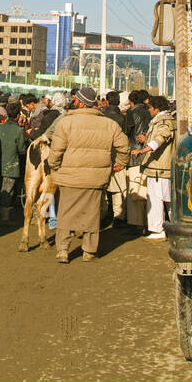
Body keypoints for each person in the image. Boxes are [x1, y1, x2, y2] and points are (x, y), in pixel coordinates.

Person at [47, 86, 130, 263]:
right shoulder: (109, 124)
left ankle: (63, 250)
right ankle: (89, 251)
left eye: (76, 100)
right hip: (96, 178)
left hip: (69, 177)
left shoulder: (65, 123)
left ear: (81, 103)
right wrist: (119, 164)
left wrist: (54, 166)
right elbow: (124, 147)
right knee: (92, 214)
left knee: (65, 213)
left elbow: (56, 151)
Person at [137, 96, 176, 239]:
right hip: (164, 166)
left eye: (150, 108)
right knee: (169, 199)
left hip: (159, 167)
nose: (148, 110)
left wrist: (144, 150)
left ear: (156, 109)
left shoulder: (163, 122)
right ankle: (174, 226)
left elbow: (161, 138)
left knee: (156, 198)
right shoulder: (168, 120)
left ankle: (157, 229)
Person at [0, 106, 27, 225]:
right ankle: (4, 219)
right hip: (11, 166)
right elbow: (22, 150)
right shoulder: (18, 130)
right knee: (8, 192)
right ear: (18, 116)